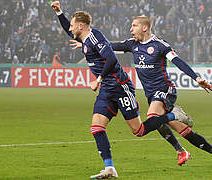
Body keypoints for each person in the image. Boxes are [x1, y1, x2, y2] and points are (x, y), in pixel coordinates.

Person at [51, 2, 192, 179]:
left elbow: (111, 60)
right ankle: (110, 168)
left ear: (80, 26)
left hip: (120, 86)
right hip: (106, 91)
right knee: (96, 127)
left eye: (72, 25)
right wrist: (59, 13)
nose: (70, 29)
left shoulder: (95, 37)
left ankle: (174, 115)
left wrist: (98, 79)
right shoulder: (85, 39)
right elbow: (67, 29)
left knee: (139, 130)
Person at [70, 16, 212, 169]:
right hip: (151, 95)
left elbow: (178, 61)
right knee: (182, 130)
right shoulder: (132, 44)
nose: (131, 29)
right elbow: (109, 45)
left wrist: (196, 78)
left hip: (165, 90)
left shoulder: (160, 45)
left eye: (134, 26)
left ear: (144, 27)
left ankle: (176, 118)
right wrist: (87, 44)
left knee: (153, 117)